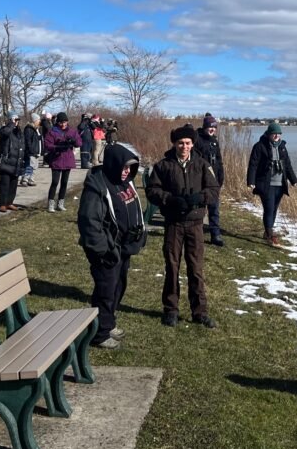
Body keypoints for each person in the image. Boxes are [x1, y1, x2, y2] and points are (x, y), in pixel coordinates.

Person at [145, 124, 220, 329]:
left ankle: (199, 312)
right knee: (172, 267)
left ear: (193, 144)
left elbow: (214, 190)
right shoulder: (163, 166)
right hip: (174, 224)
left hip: (195, 224)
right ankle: (171, 310)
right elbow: (152, 190)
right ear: (174, 144)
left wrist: (200, 197)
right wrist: (169, 199)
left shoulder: (202, 165)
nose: (184, 147)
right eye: (180, 143)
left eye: (187, 143)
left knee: (196, 269)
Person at [76, 143, 147, 350]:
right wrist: (103, 251)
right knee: (105, 290)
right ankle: (99, 333)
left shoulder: (126, 183)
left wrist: (139, 235)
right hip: (107, 250)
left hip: (124, 247)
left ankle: (108, 322)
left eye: (130, 168)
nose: (126, 172)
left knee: (118, 287)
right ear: (113, 164)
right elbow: (89, 222)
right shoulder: (97, 186)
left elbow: (134, 210)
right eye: (123, 167)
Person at [246, 121, 297, 245]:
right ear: (269, 134)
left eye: (278, 134)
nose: (276, 136)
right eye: (274, 133)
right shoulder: (259, 146)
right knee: (269, 208)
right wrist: (251, 181)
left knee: (274, 209)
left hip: (280, 184)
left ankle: (267, 231)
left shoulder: (282, 147)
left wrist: (294, 180)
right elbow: (253, 164)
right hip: (266, 184)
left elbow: (287, 165)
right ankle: (270, 234)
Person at [195, 113, 225, 246]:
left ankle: (215, 234)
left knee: (214, 208)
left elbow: (219, 160)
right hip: (200, 180)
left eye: (214, 127)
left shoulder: (214, 141)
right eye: (210, 127)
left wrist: (221, 176)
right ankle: (196, 233)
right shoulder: (197, 140)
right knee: (199, 207)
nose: (212, 129)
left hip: (213, 181)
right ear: (205, 127)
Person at [43, 111, 81, 212]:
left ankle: (60, 203)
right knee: (55, 182)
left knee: (64, 182)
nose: (63, 124)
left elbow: (79, 143)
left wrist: (74, 141)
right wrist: (57, 147)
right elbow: (47, 144)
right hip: (57, 159)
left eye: (65, 122)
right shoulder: (52, 131)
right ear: (57, 122)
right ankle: (51, 203)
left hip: (68, 159)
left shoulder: (72, 131)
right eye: (61, 122)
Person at [0, 112, 24, 212]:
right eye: (15, 120)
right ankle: (2, 204)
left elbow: (22, 145)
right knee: (5, 184)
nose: (16, 122)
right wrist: (11, 124)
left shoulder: (19, 132)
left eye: (17, 120)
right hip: (6, 161)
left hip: (16, 162)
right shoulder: (4, 129)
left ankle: (9, 202)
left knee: (13, 185)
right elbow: (5, 133)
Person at [20, 114, 41, 187]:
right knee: (29, 166)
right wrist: (31, 150)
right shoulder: (29, 129)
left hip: (36, 151)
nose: (39, 121)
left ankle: (31, 180)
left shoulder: (36, 129)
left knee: (34, 167)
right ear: (35, 120)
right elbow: (28, 141)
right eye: (38, 120)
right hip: (31, 152)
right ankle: (25, 179)